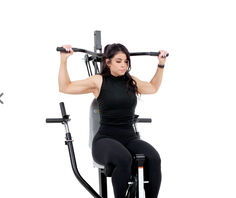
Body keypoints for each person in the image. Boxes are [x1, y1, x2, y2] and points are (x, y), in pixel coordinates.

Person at [58, 43, 168, 198]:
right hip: (105, 139)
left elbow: (152, 88)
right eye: (119, 61)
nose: (124, 65)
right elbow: (65, 87)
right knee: (124, 158)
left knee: (154, 158)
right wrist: (64, 60)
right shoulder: (99, 81)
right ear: (108, 62)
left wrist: (161, 65)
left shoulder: (131, 81)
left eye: (126, 61)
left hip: (129, 138)